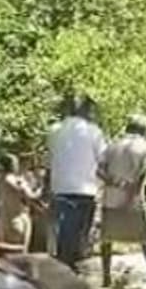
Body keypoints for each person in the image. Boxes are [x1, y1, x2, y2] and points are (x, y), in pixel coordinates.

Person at [47, 96, 106, 269]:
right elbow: (103, 160)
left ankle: (63, 265)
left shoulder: (54, 130)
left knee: (63, 231)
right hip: (85, 189)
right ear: (87, 111)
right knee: (80, 233)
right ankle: (73, 267)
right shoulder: (93, 131)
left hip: (60, 189)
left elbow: (51, 158)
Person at [98, 114, 146, 288]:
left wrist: (114, 183)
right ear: (144, 130)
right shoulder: (145, 146)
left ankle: (106, 278)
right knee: (145, 239)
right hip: (133, 200)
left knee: (106, 238)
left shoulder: (112, 145)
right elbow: (143, 173)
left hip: (110, 197)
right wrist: (131, 194)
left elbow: (99, 171)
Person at [0, 153, 43, 256]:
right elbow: (31, 196)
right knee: (20, 255)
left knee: (7, 255)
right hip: (18, 220)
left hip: (3, 220)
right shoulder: (14, 181)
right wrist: (41, 187)